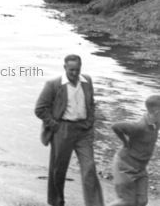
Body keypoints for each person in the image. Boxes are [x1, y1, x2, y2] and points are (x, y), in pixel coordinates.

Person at [35, 54, 104, 206]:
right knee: (58, 170)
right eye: (71, 70)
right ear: (65, 67)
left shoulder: (87, 81)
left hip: (83, 130)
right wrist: (55, 125)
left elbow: (91, 103)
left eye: (77, 69)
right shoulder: (53, 84)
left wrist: (90, 120)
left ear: (81, 67)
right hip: (63, 129)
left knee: (89, 168)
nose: (74, 73)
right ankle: (56, 202)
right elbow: (40, 109)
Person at [109, 95, 160, 206]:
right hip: (125, 166)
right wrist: (125, 142)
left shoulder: (156, 123)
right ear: (157, 112)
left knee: (142, 201)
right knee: (126, 201)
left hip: (140, 168)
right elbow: (116, 126)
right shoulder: (139, 127)